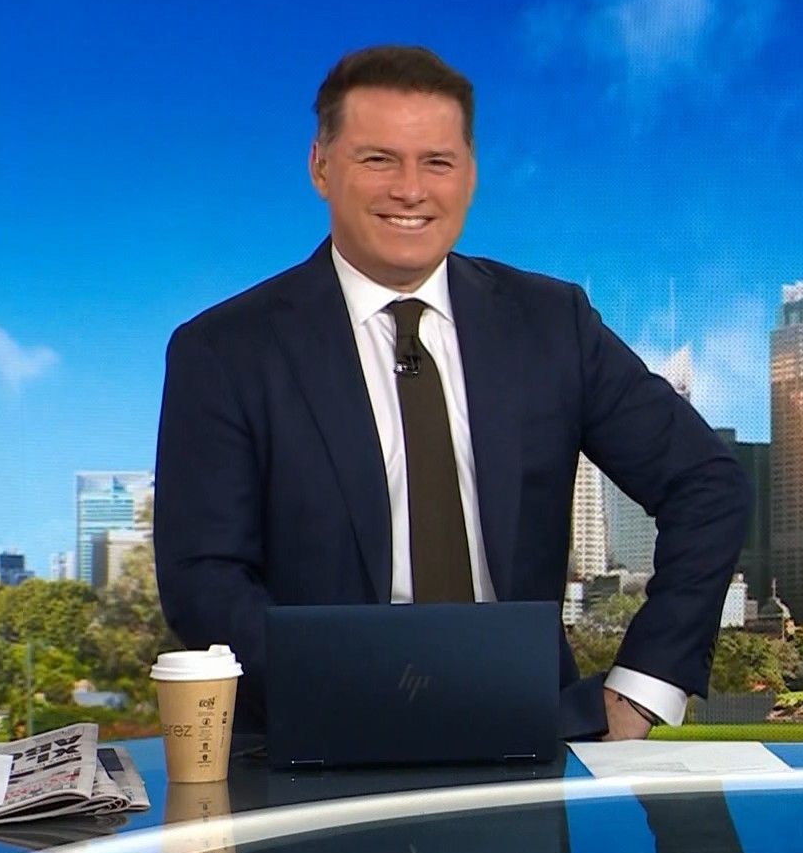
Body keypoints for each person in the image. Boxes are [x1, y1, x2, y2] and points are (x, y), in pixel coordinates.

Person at [154, 45, 751, 741]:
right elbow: (204, 579)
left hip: (536, 734)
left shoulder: (550, 323)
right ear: (321, 167)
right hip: (314, 745)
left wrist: (643, 686)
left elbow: (708, 485)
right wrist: (358, 702)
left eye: (436, 162)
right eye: (378, 159)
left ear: (469, 174)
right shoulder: (224, 350)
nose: (410, 190)